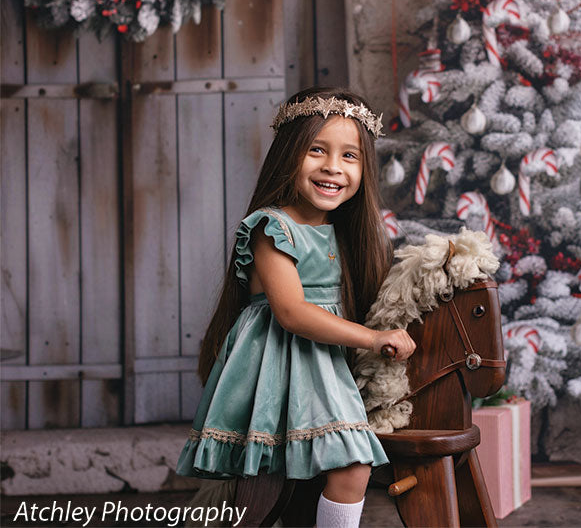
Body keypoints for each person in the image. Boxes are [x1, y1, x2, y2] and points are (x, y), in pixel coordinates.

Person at [176, 87, 416, 527]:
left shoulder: (347, 236)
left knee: (346, 469)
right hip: (278, 365)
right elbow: (292, 312)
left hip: (322, 367)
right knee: (284, 482)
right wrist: (374, 338)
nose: (333, 167)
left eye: (350, 156)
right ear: (289, 154)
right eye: (317, 150)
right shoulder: (273, 227)